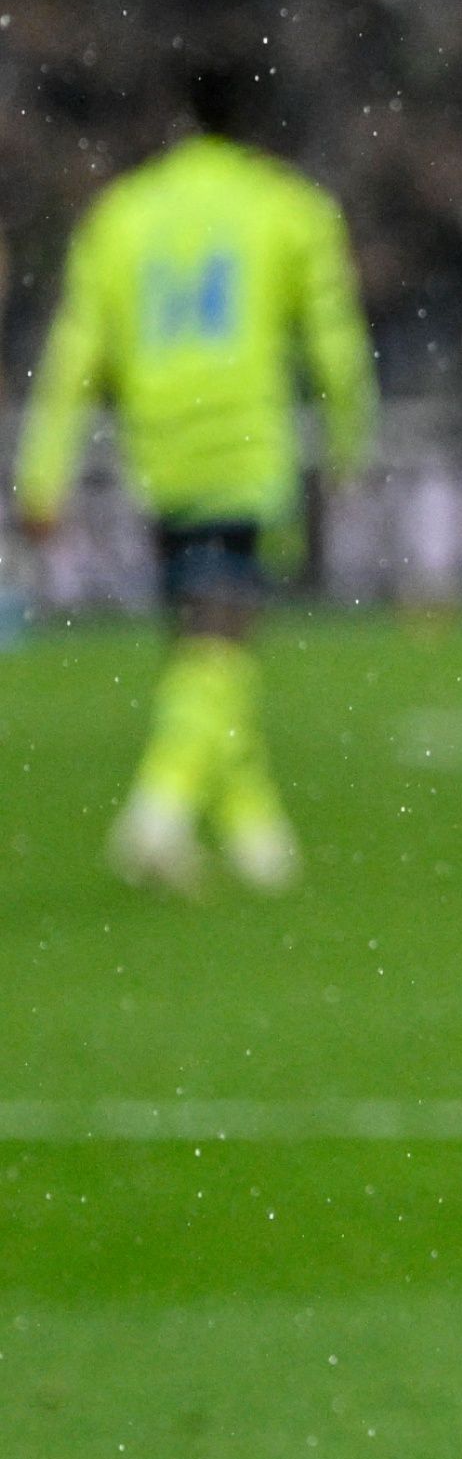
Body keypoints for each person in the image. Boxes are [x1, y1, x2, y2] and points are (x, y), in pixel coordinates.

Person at [9, 61, 377, 895]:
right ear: (257, 122)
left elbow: (73, 357)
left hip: (160, 449)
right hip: (243, 447)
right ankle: (158, 812)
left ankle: (255, 834)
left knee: (203, 640)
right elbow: (336, 345)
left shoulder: (123, 214)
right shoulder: (290, 209)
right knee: (220, 636)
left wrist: (43, 476)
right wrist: (352, 443)